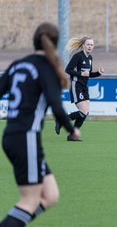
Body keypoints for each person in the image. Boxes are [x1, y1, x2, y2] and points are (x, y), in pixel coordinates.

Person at [0, 22, 80, 227]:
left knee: (50, 195)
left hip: (12, 135)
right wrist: (72, 130)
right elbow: (56, 106)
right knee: (29, 201)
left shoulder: (19, 64)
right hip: (25, 137)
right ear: (55, 44)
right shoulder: (47, 68)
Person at [55, 36, 105, 140]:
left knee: (85, 113)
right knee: (83, 111)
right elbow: (68, 70)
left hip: (84, 87)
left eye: (91, 45)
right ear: (83, 46)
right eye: (88, 44)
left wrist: (98, 73)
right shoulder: (78, 57)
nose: (90, 46)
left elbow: (88, 74)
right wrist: (81, 73)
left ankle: (72, 135)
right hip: (75, 85)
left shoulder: (90, 58)